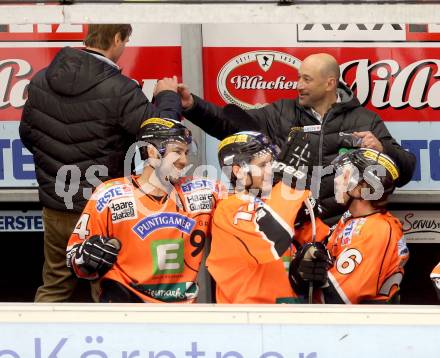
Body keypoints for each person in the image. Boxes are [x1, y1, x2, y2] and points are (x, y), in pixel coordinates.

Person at [19, 24, 182, 302]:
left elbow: (27, 135)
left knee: (55, 285)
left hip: (56, 205)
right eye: (126, 41)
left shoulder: (41, 79)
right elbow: (160, 142)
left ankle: (35, 343)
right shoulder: (120, 89)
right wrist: (167, 97)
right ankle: (111, 346)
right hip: (104, 210)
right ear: (117, 38)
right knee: (107, 287)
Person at [178, 53, 416, 226]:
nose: (298, 85)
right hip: (292, 225)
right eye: (299, 77)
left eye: (307, 79)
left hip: (342, 228)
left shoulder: (365, 119)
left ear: (330, 83)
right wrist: (193, 106)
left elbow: (404, 171)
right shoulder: (281, 112)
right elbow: (230, 124)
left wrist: (383, 149)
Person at [66, 118, 222, 303]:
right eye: (177, 152)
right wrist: (87, 258)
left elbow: (246, 202)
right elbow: (73, 258)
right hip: (126, 311)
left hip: (182, 314)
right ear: (152, 151)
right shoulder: (110, 195)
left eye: (186, 152)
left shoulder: (203, 192)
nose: (184, 160)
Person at [289, 148, 409, 304]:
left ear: (362, 187)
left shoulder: (377, 229)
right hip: (352, 322)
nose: (337, 180)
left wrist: (306, 282)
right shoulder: (352, 218)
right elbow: (330, 249)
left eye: (344, 175)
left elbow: (338, 297)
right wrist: (303, 223)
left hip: (366, 324)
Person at [206, 131, 311, 303]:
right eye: (262, 165)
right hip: (247, 318)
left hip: (290, 311)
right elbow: (273, 239)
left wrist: (316, 254)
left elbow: (317, 242)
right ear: (238, 171)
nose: (271, 171)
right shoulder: (228, 208)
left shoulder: (278, 201)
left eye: (271, 163)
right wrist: (289, 189)